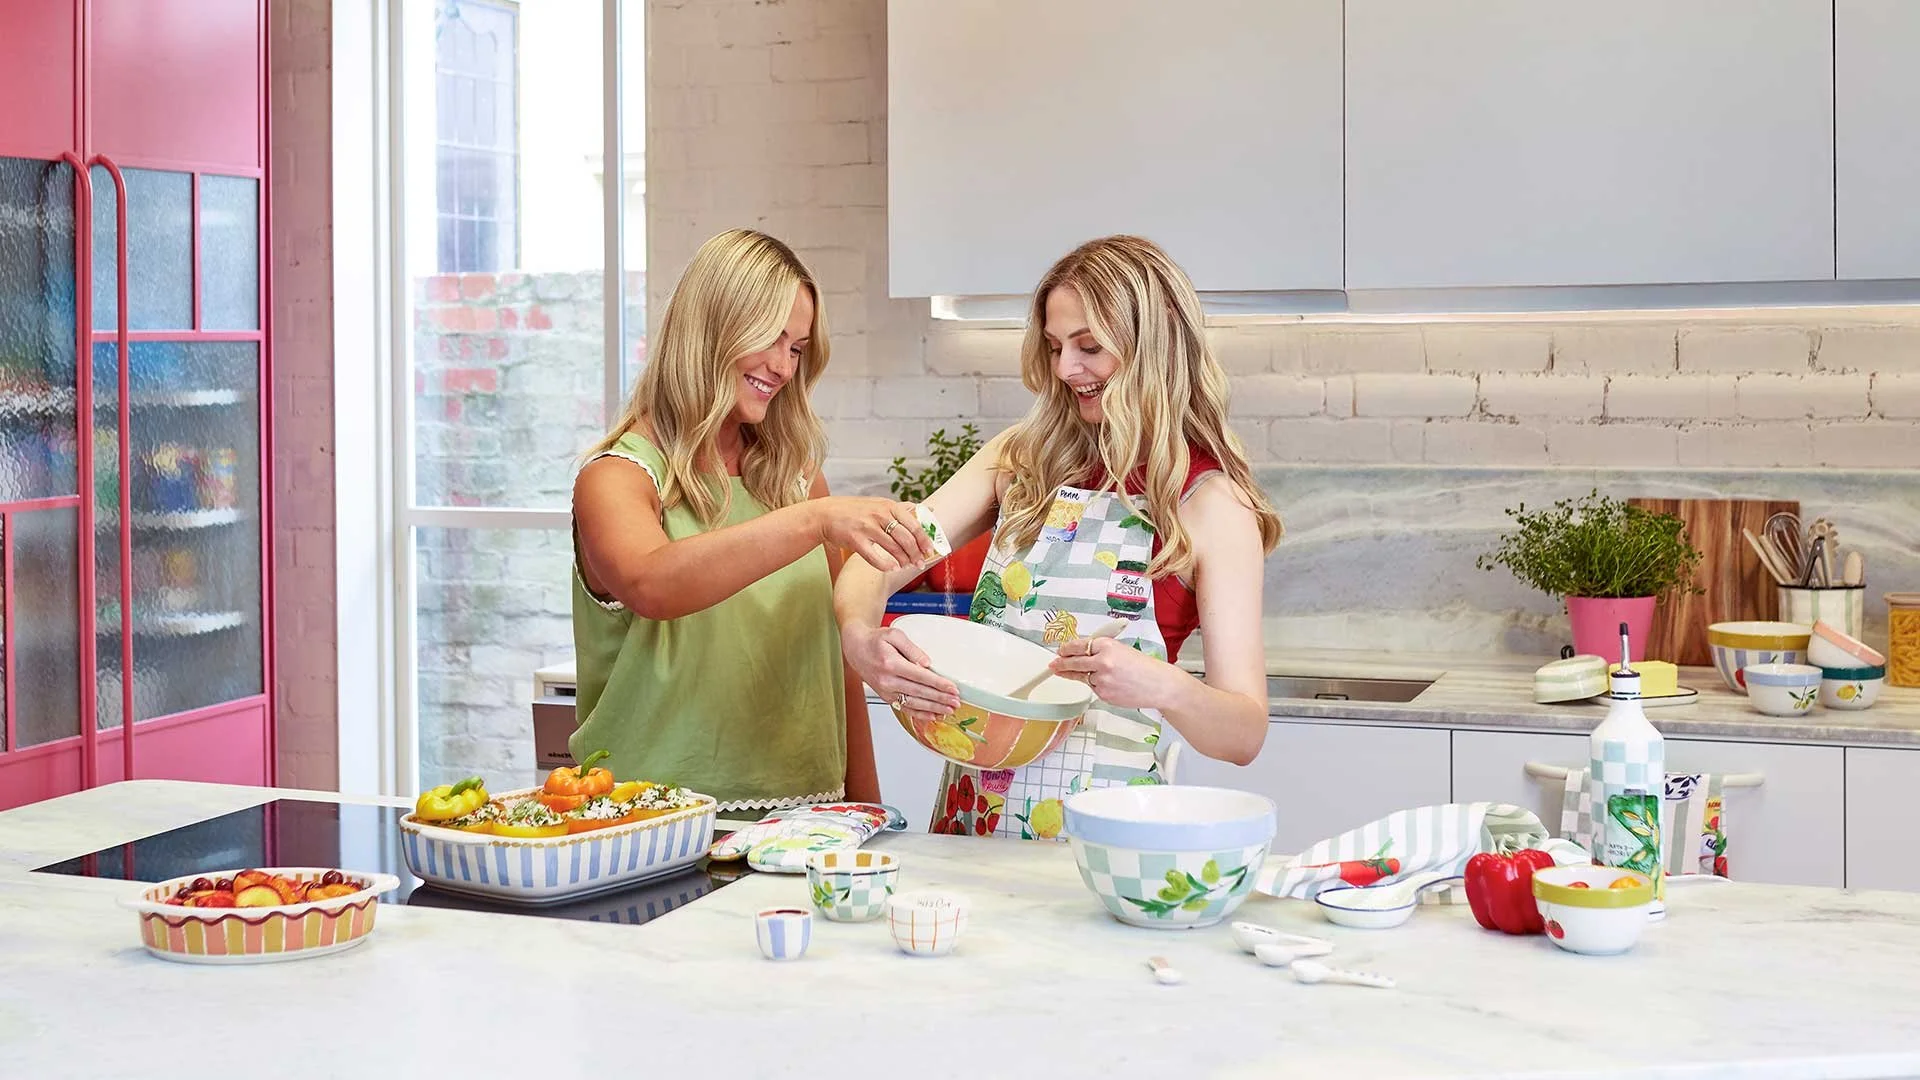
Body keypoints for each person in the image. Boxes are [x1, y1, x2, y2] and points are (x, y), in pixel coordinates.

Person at [834, 235, 1283, 839]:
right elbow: (878, 559)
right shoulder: (1021, 461)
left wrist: (1164, 687)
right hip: (968, 830)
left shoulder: (1211, 503)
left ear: (1154, 347)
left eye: (1089, 346)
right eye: (1054, 346)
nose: (1066, 369)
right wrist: (860, 638)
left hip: (1104, 843)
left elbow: (1244, 734)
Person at [570, 228, 938, 815]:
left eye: (797, 348)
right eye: (770, 338)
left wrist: (868, 811)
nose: (783, 366)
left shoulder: (795, 480)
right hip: (651, 826)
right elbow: (652, 584)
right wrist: (815, 520)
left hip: (806, 824)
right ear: (710, 329)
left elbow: (836, 657)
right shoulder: (617, 478)